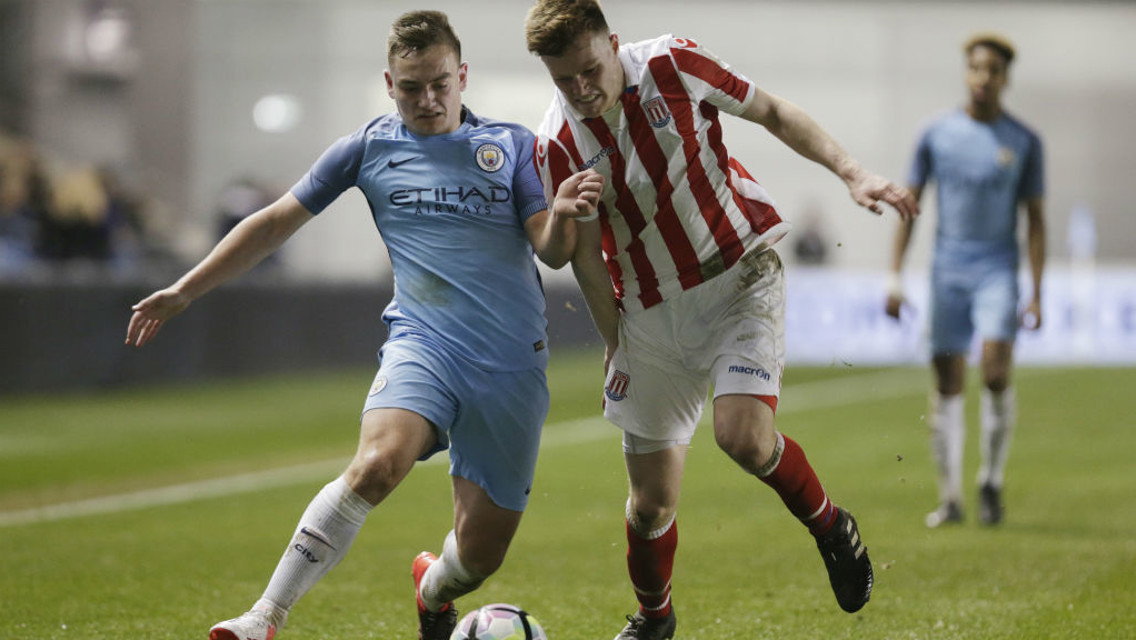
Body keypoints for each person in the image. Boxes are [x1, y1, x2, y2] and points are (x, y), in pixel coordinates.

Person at [125, 11, 603, 640]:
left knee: (480, 557)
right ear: (389, 84)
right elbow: (272, 223)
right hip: (424, 346)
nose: (427, 100)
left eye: (439, 84)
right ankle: (263, 618)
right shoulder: (368, 148)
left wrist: (564, 213)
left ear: (462, 76)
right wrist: (187, 288)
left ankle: (433, 588)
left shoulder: (511, 147)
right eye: (411, 88)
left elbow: (551, 250)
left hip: (511, 365)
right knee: (376, 464)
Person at [523, 2, 919, 638]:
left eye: (590, 70)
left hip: (739, 275)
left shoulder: (674, 62)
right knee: (650, 503)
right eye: (563, 79)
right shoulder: (558, 143)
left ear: (613, 44)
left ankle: (830, 526)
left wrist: (852, 172)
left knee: (742, 436)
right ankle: (655, 619)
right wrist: (616, 343)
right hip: (649, 312)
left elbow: (773, 112)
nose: (581, 90)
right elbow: (587, 266)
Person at [885, 32, 1045, 529]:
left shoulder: (1023, 141)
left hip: (997, 266)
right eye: (975, 68)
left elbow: (1036, 220)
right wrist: (895, 276)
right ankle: (951, 497)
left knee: (995, 371)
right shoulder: (936, 134)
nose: (982, 78)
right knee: (948, 382)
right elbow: (909, 207)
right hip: (947, 268)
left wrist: (1037, 290)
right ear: (966, 72)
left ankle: (990, 481)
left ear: (1005, 78)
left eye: (992, 70)